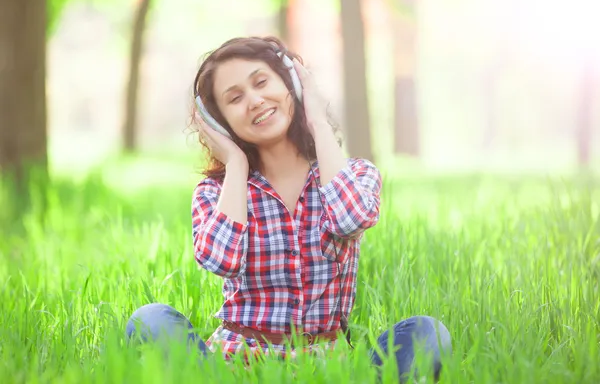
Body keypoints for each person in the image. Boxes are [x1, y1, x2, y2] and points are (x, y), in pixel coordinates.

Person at [126, 36, 452, 382]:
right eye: (235, 98)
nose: (254, 100)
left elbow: (350, 219)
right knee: (151, 320)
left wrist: (318, 123)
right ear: (220, 122)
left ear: (291, 85)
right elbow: (222, 260)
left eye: (262, 82)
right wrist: (235, 164)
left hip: (328, 370)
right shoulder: (217, 191)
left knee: (427, 333)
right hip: (234, 367)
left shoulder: (354, 173)